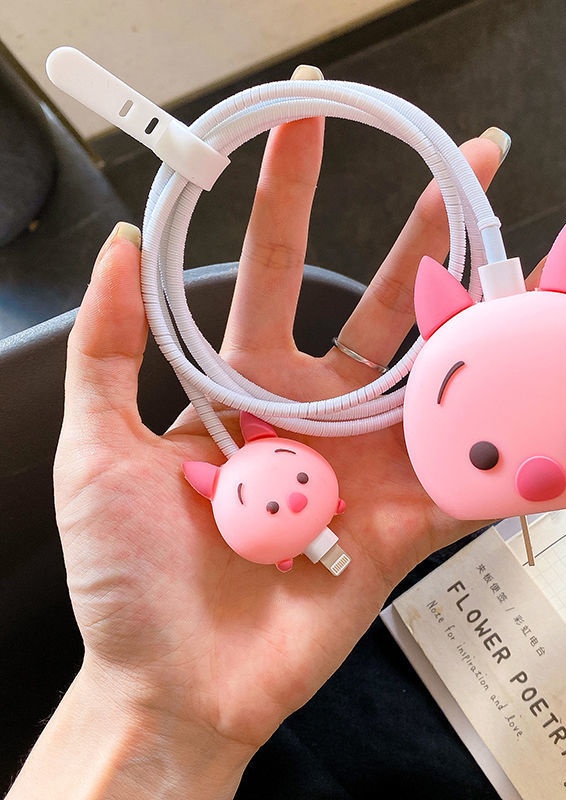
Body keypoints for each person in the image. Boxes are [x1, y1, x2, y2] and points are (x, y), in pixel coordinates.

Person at [6, 64, 521, 798]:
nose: (300, 500)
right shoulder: (241, 476)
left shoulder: (268, 485)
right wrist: (159, 705)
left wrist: (158, 713)